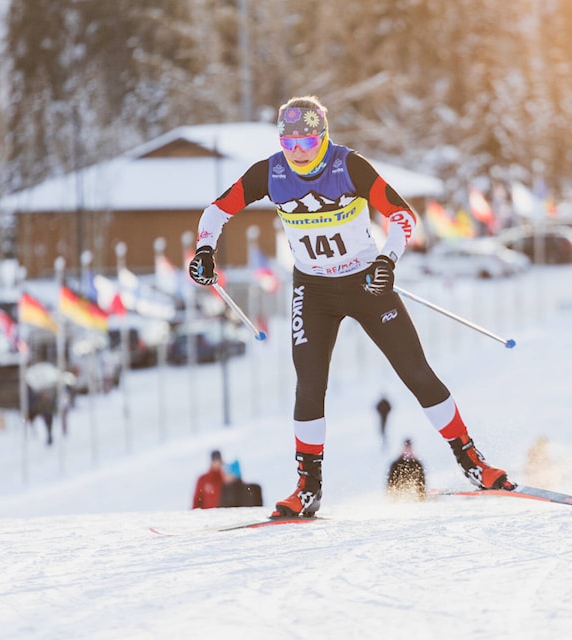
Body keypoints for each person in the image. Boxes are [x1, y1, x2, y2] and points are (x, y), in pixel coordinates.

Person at [188, 96, 513, 519]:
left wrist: (387, 260)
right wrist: (205, 251)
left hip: (364, 284)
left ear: (323, 136)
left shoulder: (347, 166)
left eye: (306, 142)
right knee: (308, 385)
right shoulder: (271, 172)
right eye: (289, 144)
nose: (298, 153)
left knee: (416, 372)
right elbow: (217, 211)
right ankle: (308, 487)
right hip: (314, 290)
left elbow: (402, 215)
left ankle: (472, 463)